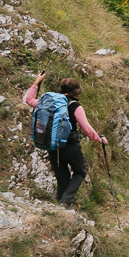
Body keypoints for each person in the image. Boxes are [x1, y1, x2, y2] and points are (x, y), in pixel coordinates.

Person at [24, 73, 107, 207]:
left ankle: (61, 205)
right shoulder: (75, 105)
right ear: (77, 91)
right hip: (70, 146)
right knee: (80, 172)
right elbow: (86, 129)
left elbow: (29, 100)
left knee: (62, 177)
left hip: (52, 146)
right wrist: (100, 139)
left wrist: (36, 83)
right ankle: (65, 202)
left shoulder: (49, 102)